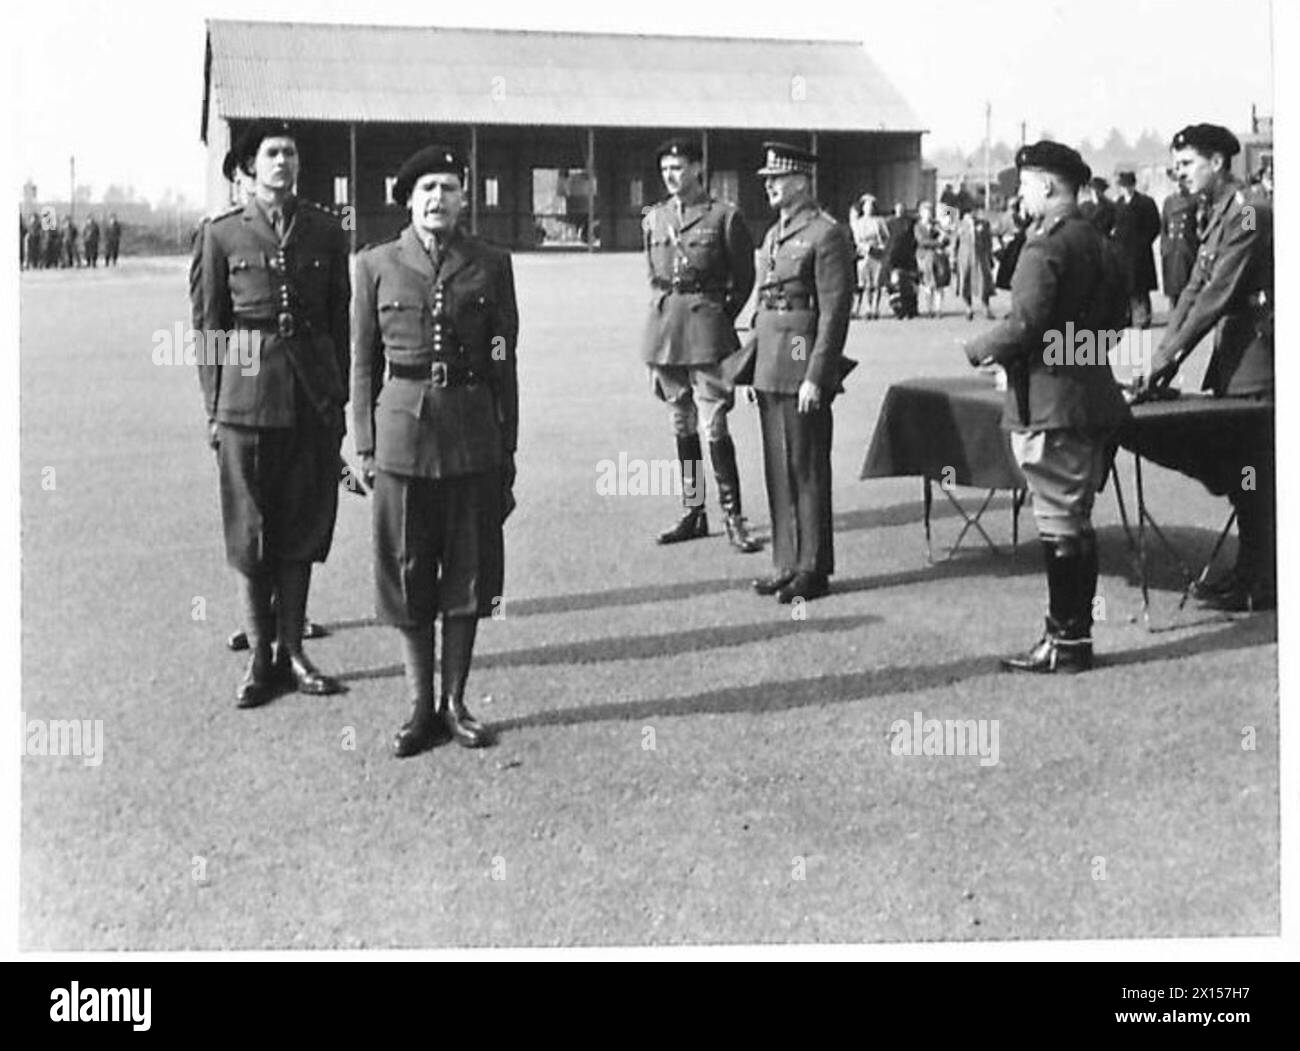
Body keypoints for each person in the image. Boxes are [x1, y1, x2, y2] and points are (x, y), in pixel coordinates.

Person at [352, 145, 519, 757]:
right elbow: (363, 362)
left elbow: (505, 359)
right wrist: (365, 446)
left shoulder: (491, 264)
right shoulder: (375, 265)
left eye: (449, 188)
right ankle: (420, 704)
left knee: (470, 574)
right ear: (408, 199)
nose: (438, 199)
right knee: (407, 568)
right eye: (427, 189)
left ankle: (455, 701)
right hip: (401, 435)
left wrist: (508, 447)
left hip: (473, 434)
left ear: (464, 197)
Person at [193, 120, 351, 708]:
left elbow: (340, 322)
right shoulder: (221, 235)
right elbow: (209, 329)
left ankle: (295, 650)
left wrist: (339, 402)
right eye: (271, 154)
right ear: (250, 167)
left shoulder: (325, 232)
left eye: (290, 153)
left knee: (303, 525)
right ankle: (262, 657)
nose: (282, 162)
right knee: (251, 528)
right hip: (246, 397)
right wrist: (214, 407)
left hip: (310, 396)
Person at [963, 141, 1131, 673]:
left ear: (1050, 186)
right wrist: (1072, 352)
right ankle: (1072, 640)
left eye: (1027, 184)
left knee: (1059, 522)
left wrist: (978, 348)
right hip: (1092, 397)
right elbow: (1115, 326)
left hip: (1050, 403)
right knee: (1076, 520)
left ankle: (1065, 643)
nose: (1021, 194)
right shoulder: (1101, 243)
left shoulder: (1045, 247)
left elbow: (1025, 324)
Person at [1138, 123, 1274, 612]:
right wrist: (1160, 358)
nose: (1180, 174)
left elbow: (1217, 294)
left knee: (1256, 471)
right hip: (1236, 358)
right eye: (1177, 166)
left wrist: (1171, 359)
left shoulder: (1249, 214)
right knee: (1246, 472)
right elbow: (1193, 288)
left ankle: (1264, 578)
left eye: (1188, 164)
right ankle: (1251, 571)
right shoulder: (1216, 214)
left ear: (1218, 162)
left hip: (1260, 362)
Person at [640, 137, 759, 552]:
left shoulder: (724, 217)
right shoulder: (654, 219)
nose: (671, 175)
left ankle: (733, 517)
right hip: (667, 333)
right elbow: (654, 277)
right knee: (681, 423)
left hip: (707, 332)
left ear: (696, 168)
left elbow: (744, 279)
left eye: (678, 166)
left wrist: (721, 317)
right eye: (666, 168)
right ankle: (694, 512)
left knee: (714, 425)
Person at [748, 142, 855, 604]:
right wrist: (756, 366)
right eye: (767, 180)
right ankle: (786, 561)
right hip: (772, 359)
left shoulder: (826, 233)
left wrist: (817, 374)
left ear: (800, 182)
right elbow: (764, 302)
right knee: (778, 465)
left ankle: (813, 566)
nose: (769, 186)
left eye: (777, 179)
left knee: (806, 464)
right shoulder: (775, 233)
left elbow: (834, 312)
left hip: (800, 356)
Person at [1110, 172, 1161, 328]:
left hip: (1140, 253)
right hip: (1122, 252)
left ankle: (1142, 317)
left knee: (1140, 286)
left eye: (1128, 186)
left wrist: (1143, 242)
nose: (1126, 189)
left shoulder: (1146, 202)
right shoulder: (1118, 203)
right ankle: (1127, 317)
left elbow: (1155, 226)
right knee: (1125, 287)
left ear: (1133, 185)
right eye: (1123, 186)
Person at [849, 194, 888, 319]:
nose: (869, 209)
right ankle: (867, 307)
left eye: (871, 206)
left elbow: (886, 236)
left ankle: (875, 308)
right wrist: (862, 247)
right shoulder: (858, 223)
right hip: (864, 254)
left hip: (877, 253)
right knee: (865, 283)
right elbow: (856, 239)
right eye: (867, 206)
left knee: (876, 283)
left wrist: (881, 246)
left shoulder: (879, 221)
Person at [953, 205, 996, 319]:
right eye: (969, 212)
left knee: (984, 281)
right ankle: (968, 308)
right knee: (965, 281)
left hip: (980, 256)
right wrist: (953, 258)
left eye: (974, 212)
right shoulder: (959, 225)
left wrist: (990, 256)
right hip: (965, 256)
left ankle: (985, 307)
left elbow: (988, 242)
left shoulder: (984, 224)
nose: (972, 214)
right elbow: (955, 243)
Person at [1159, 182, 1198, 308]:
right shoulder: (1169, 201)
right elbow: (1164, 226)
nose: (1179, 185)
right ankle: (1174, 313)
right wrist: (1164, 248)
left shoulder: (1194, 200)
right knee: (1173, 286)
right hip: (1171, 248)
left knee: (1187, 286)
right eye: (1176, 182)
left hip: (1186, 247)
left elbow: (1200, 224)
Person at [913, 200, 950, 317]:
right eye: (925, 211)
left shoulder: (937, 225)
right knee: (928, 283)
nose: (928, 214)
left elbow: (947, 240)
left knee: (940, 283)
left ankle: (939, 309)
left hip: (938, 257)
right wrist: (938, 242)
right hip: (924, 257)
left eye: (930, 211)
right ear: (921, 213)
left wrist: (944, 238)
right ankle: (929, 309)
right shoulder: (918, 226)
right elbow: (922, 241)